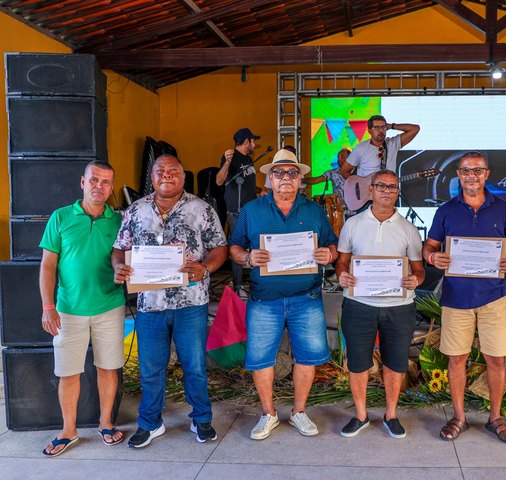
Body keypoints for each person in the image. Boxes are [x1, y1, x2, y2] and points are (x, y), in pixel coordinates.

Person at [112, 154, 227, 448]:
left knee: (195, 366)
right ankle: (150, 423)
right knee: (151, 369)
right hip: (150, 305)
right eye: (160, 170)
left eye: (173, 170)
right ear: (152, 177)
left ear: (183, 176)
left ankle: (201, 419)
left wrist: (206, 268)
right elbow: (120, 248)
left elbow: (219, 248)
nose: (166, 174)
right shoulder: (135, 210)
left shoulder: (202, 209)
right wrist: (118, 266)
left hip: (191, 303)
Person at [228, 149, 338, 441]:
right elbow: (234, 247)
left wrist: (329, 254)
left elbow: (333, 244)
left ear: (300, 179)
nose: (286, 177)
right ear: (270, 178)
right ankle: (269, 414)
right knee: (261, 359)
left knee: (307, 358)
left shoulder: (314, 211)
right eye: (279, 172)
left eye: (292, 172)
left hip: (307, 299)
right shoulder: (252, 210)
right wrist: (247, 257)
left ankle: (299, 412)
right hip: (264, 300)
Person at [422, 152, 506, 443]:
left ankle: (495, 417)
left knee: (496, 360)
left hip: (493, 296)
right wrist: (433, 257)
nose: (472, 175)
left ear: (486, 174)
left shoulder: (502, 208)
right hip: (456, 297)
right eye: (466, 170)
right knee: (457, 360)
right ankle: (459, 417)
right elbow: (429, 247)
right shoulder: (445, 211)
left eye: (477, 170)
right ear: (458, 174)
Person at [39, 161, 126, 457]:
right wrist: (48, 306)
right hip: (68, 309)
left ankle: (105, 423)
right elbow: (48, 265)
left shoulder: (119, 221)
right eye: (94, 180)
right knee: (68, 372)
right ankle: (68, 430)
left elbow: (127, 257)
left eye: (106, 182)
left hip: (109, 305)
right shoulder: (61, 217)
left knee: (108, 368)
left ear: (111, 188)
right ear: (82, 182)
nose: (99, 186)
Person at [335, 170, 424, 439]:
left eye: (392, 187)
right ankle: (360, 415)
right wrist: (342, 274)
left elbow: (419, 269)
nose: (387, 191)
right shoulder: (352, 224)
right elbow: (342, 261)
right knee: (358, 362)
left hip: (399, 306)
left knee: (395, 362)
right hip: (358, 303)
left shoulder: (408, 229)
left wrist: (416, 280)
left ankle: (391, 415)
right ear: (371, 189)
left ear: (398, 192)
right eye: (381, 186)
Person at [216, 127, 260, 295]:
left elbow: (248, 183)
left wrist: (261, 190)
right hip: (237, 210)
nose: (254, 144)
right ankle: (237, 286)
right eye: (253, 141)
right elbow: (219, 181)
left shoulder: (248, 159)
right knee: (237, 246)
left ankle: (254, 282)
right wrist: (227, 162)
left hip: (251, 209)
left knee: (254, 243)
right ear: (246, 141)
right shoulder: (230, 156)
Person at [340, 115, 420, 179]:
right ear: (369, 131)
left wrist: (392, 126)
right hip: (367, 193)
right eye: (376, 127)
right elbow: (344, 171)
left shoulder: (393, 144)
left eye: (383, 127)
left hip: (388, 191)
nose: (381, 130)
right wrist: (358, 187)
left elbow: (415, 129)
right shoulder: (361, 148)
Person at [305, 147, 352, 216]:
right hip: (340, 213)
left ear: (350, 158)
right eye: (338, 157)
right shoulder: (332, 173)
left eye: (342, 157)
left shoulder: (358, 172)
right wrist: (302, 180)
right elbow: (315, 180)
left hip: (357, 212)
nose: (339, 159)